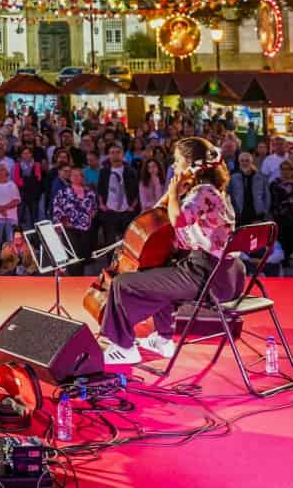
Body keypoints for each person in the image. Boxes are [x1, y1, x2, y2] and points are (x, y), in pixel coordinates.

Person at [98, 137, 243, 366]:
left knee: (122, 283)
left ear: (190, 163)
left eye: (177, 161)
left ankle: (124, 347)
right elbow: (157, 213)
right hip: (225, 274)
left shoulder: (203, 192)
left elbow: (176, 219)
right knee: (161, 270)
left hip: (206, 277)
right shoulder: (213, 190)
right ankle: (164, 339)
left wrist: (174, 192)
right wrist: (172, 193)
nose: (174, 167)